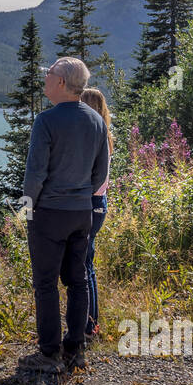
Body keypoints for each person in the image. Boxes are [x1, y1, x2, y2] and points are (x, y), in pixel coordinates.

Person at [20, 57, 110, 373]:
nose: (45, 78)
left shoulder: (46, 121)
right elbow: (101, 175)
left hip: (48, 214)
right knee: (78, 280)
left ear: (61, 83)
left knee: (45, 284)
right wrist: (80, 195)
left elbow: (35, 174)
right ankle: (76, 350)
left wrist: (27, 206)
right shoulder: (96, 121)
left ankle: (49, 353)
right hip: (81, 213)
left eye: (49, 74)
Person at [80, 88, 113, 338]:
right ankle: (91, 322)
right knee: (86, 262)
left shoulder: (94, 137)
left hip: (91, 202)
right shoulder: (105, 135)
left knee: (84, 264)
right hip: (99, 202)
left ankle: (89, 325)